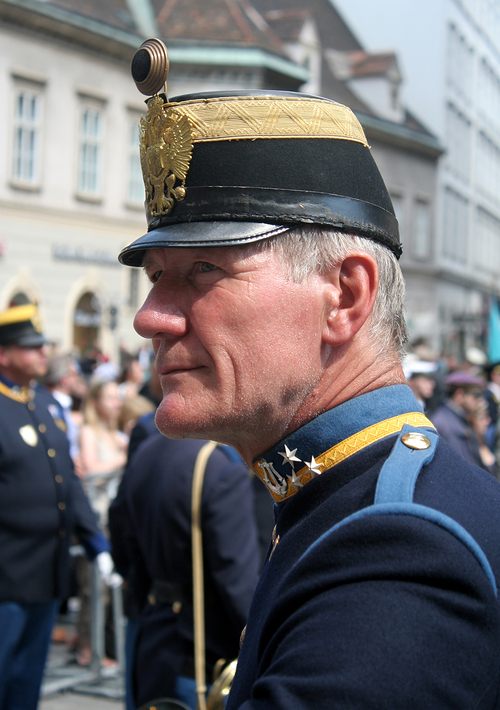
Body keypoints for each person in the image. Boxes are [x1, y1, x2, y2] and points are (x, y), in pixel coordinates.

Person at [117, 39, 500, 708]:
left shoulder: (399, 555)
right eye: (155, 278)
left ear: (345, 298)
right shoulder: (344, 495)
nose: (151, 318)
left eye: (204, 270)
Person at [0, 304, 115, 710]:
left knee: (27, 681)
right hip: (6, 574)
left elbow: (69, 482)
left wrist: (96, 544)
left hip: (47, 572)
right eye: (31, 348)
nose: (43, 354)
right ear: (4, 354)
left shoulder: (47, 404)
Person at [109, 434, 260, 709]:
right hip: (202, 651)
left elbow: (124, 541)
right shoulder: (219, 466)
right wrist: (261, 644)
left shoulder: (147, 450)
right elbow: (237, 580)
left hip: (154, 635)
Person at [431, 370, 487, 470]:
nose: (480, 401)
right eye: (476, 395)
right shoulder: (445, 423)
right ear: (459, 395)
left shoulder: (457, 418)